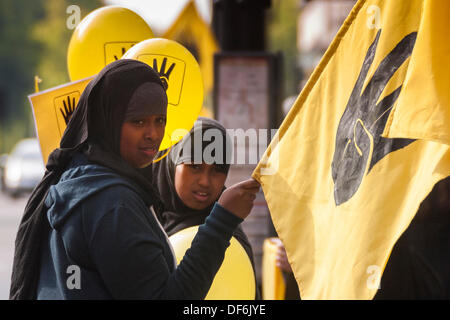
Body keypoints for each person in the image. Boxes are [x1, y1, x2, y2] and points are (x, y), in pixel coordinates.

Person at [9, 59, 260, 300]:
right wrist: (222, 221)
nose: (153, 134)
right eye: (137, 121)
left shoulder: (79, 179)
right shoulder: (111, 202)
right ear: (108, 121)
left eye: (160, 120)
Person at [150, 117, 260, 299]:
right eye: (194, 166)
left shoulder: (230, 239)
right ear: (172, 161)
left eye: (217, 170)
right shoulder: (140, 213)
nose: (205, 181)